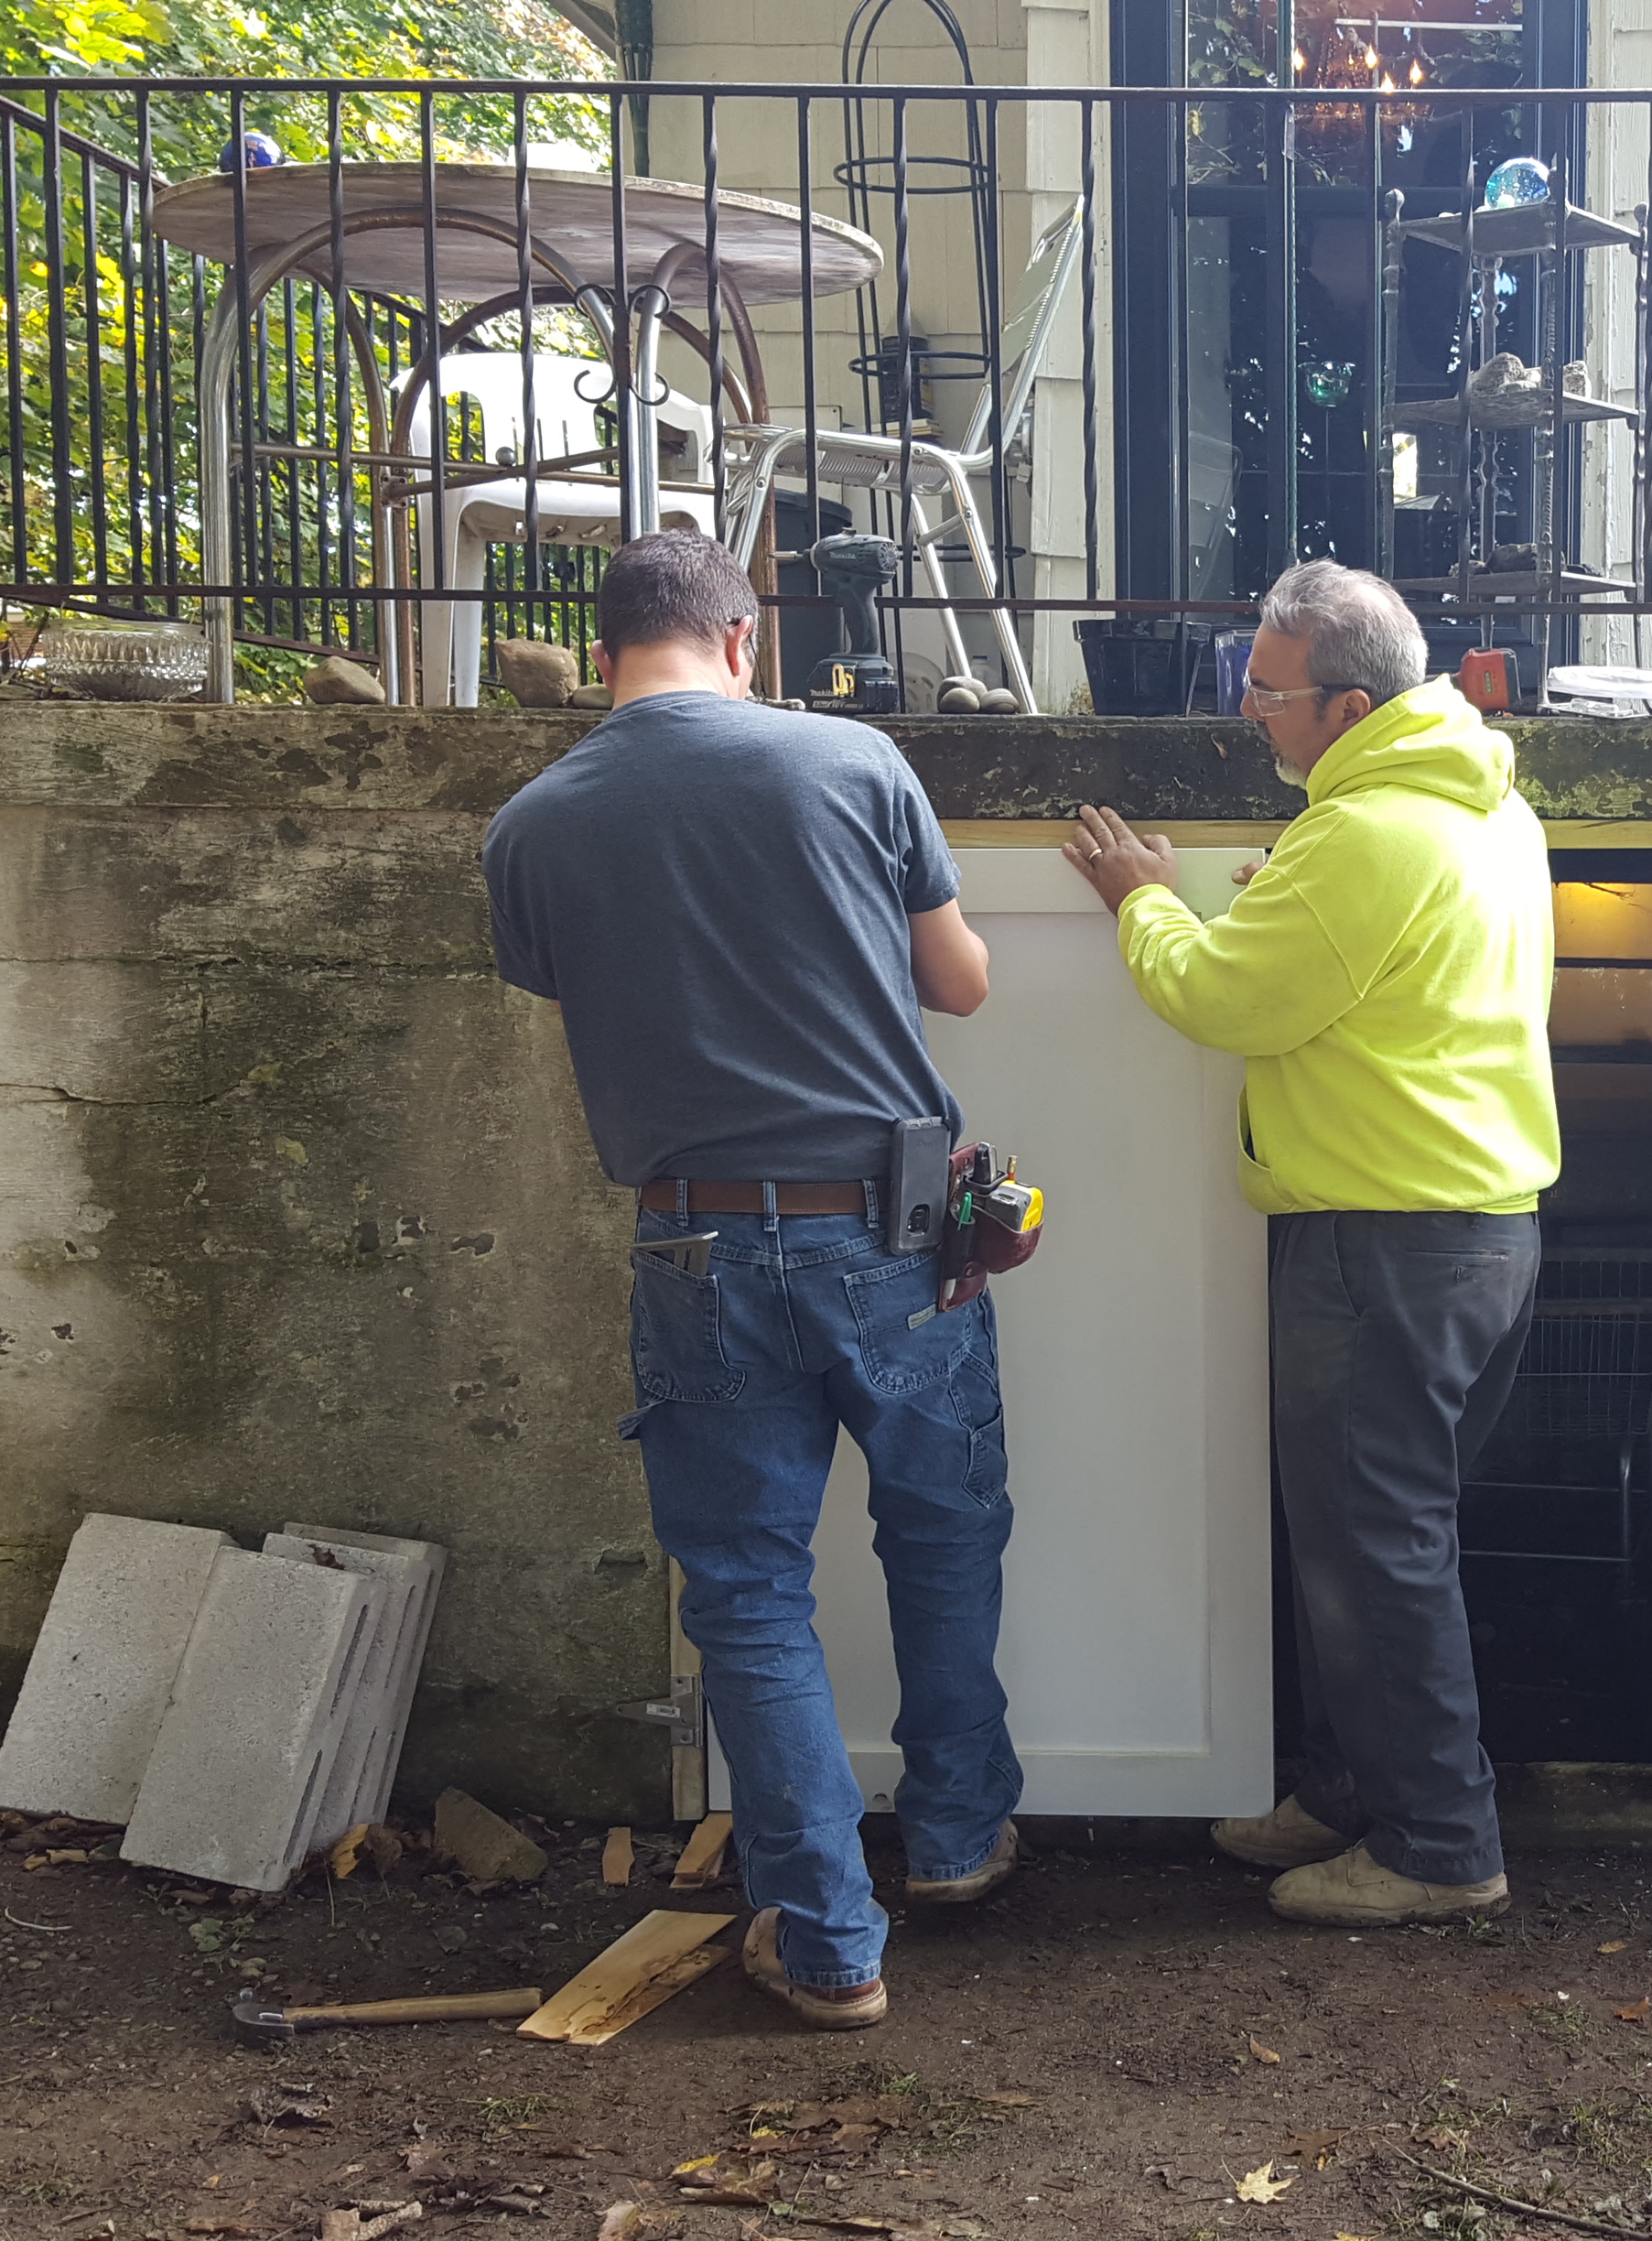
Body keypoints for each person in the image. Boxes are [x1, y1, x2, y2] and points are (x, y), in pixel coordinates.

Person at [480, 530, 1020, 2032]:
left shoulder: (532, 824)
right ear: (743, 636)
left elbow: (573, 984)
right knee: (943, 1527)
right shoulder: (852, 765)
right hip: (894, 1232)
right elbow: (960, 981)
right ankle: (964, 1841)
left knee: (747, 1592)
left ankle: (831, 1943)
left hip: (696, 1242)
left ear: (602, 654)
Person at [1063, 558, 1557, 1928]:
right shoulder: (1480, 808)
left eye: (1262, 693)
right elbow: (1365, 970)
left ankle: (1441, 1849)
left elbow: (1225, 999)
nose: (1246, 717)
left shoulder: (1369, 836)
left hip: (1381, 1240)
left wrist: (1140, 900)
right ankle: (1357, 1791)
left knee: (1374, 1548)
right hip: (1476, 1233)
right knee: (1379, 1537)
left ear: (1344, 705)